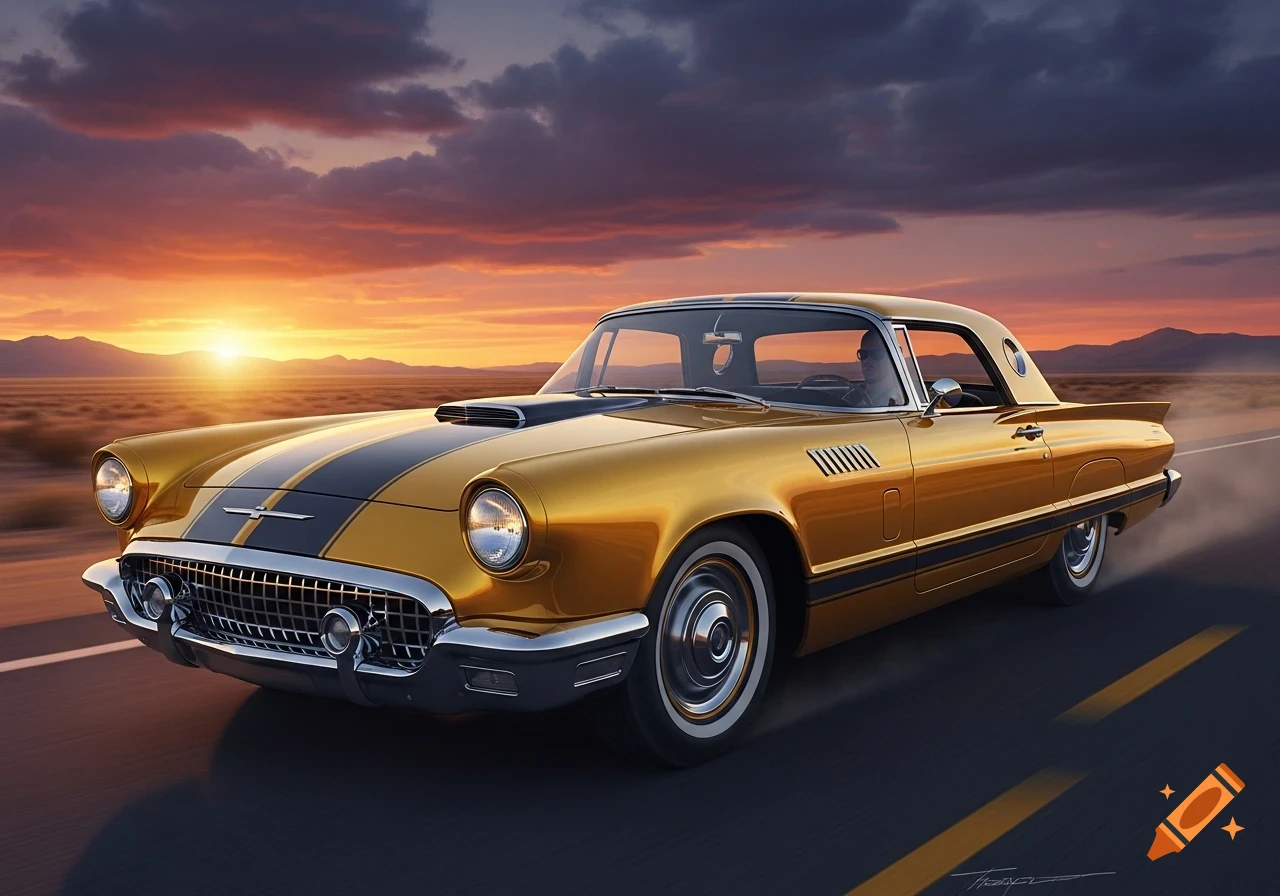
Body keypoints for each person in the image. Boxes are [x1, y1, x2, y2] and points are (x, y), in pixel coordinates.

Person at [854, 329, 907, 407]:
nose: (868, 360)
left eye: (876, 354)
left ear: (892, 357)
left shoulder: (899, 400)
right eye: (863, 354)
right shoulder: (854, 395)